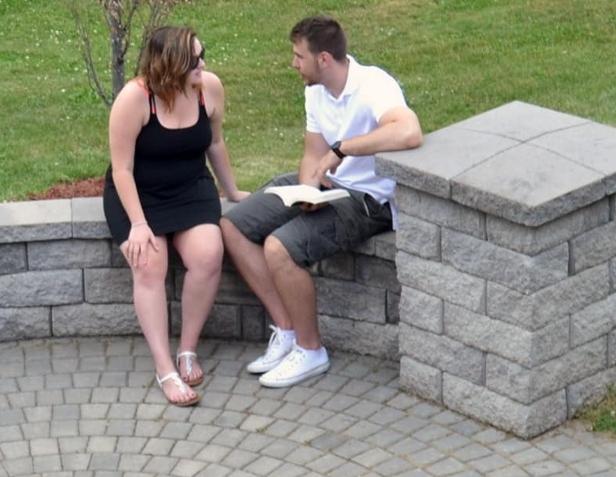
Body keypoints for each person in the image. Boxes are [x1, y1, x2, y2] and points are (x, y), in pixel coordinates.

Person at [221, 15, 422, 388]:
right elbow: (312, 154)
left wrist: (342, 150)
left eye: (299, 57)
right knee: (232, 226)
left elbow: (409, 131)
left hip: (368, 200)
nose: (293, 64)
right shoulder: (315, 91)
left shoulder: (373, 85)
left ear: (324, 58)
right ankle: (287, 330)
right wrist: (307, 190)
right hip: (328, 187)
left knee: (279, 247)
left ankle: (311, 351)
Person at [102, 26, 251, 407]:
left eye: (203, 55)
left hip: (190, 187)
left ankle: (188, 349)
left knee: (207, 256)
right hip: (138, 193)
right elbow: (121, 170)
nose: (203, 64)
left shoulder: (209, 88)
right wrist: (138, 224)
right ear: (170, 66)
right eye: (194, 60)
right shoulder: (134, 99)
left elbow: (216, 143)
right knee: (150, 264)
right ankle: (165, 368)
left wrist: (232, 191)